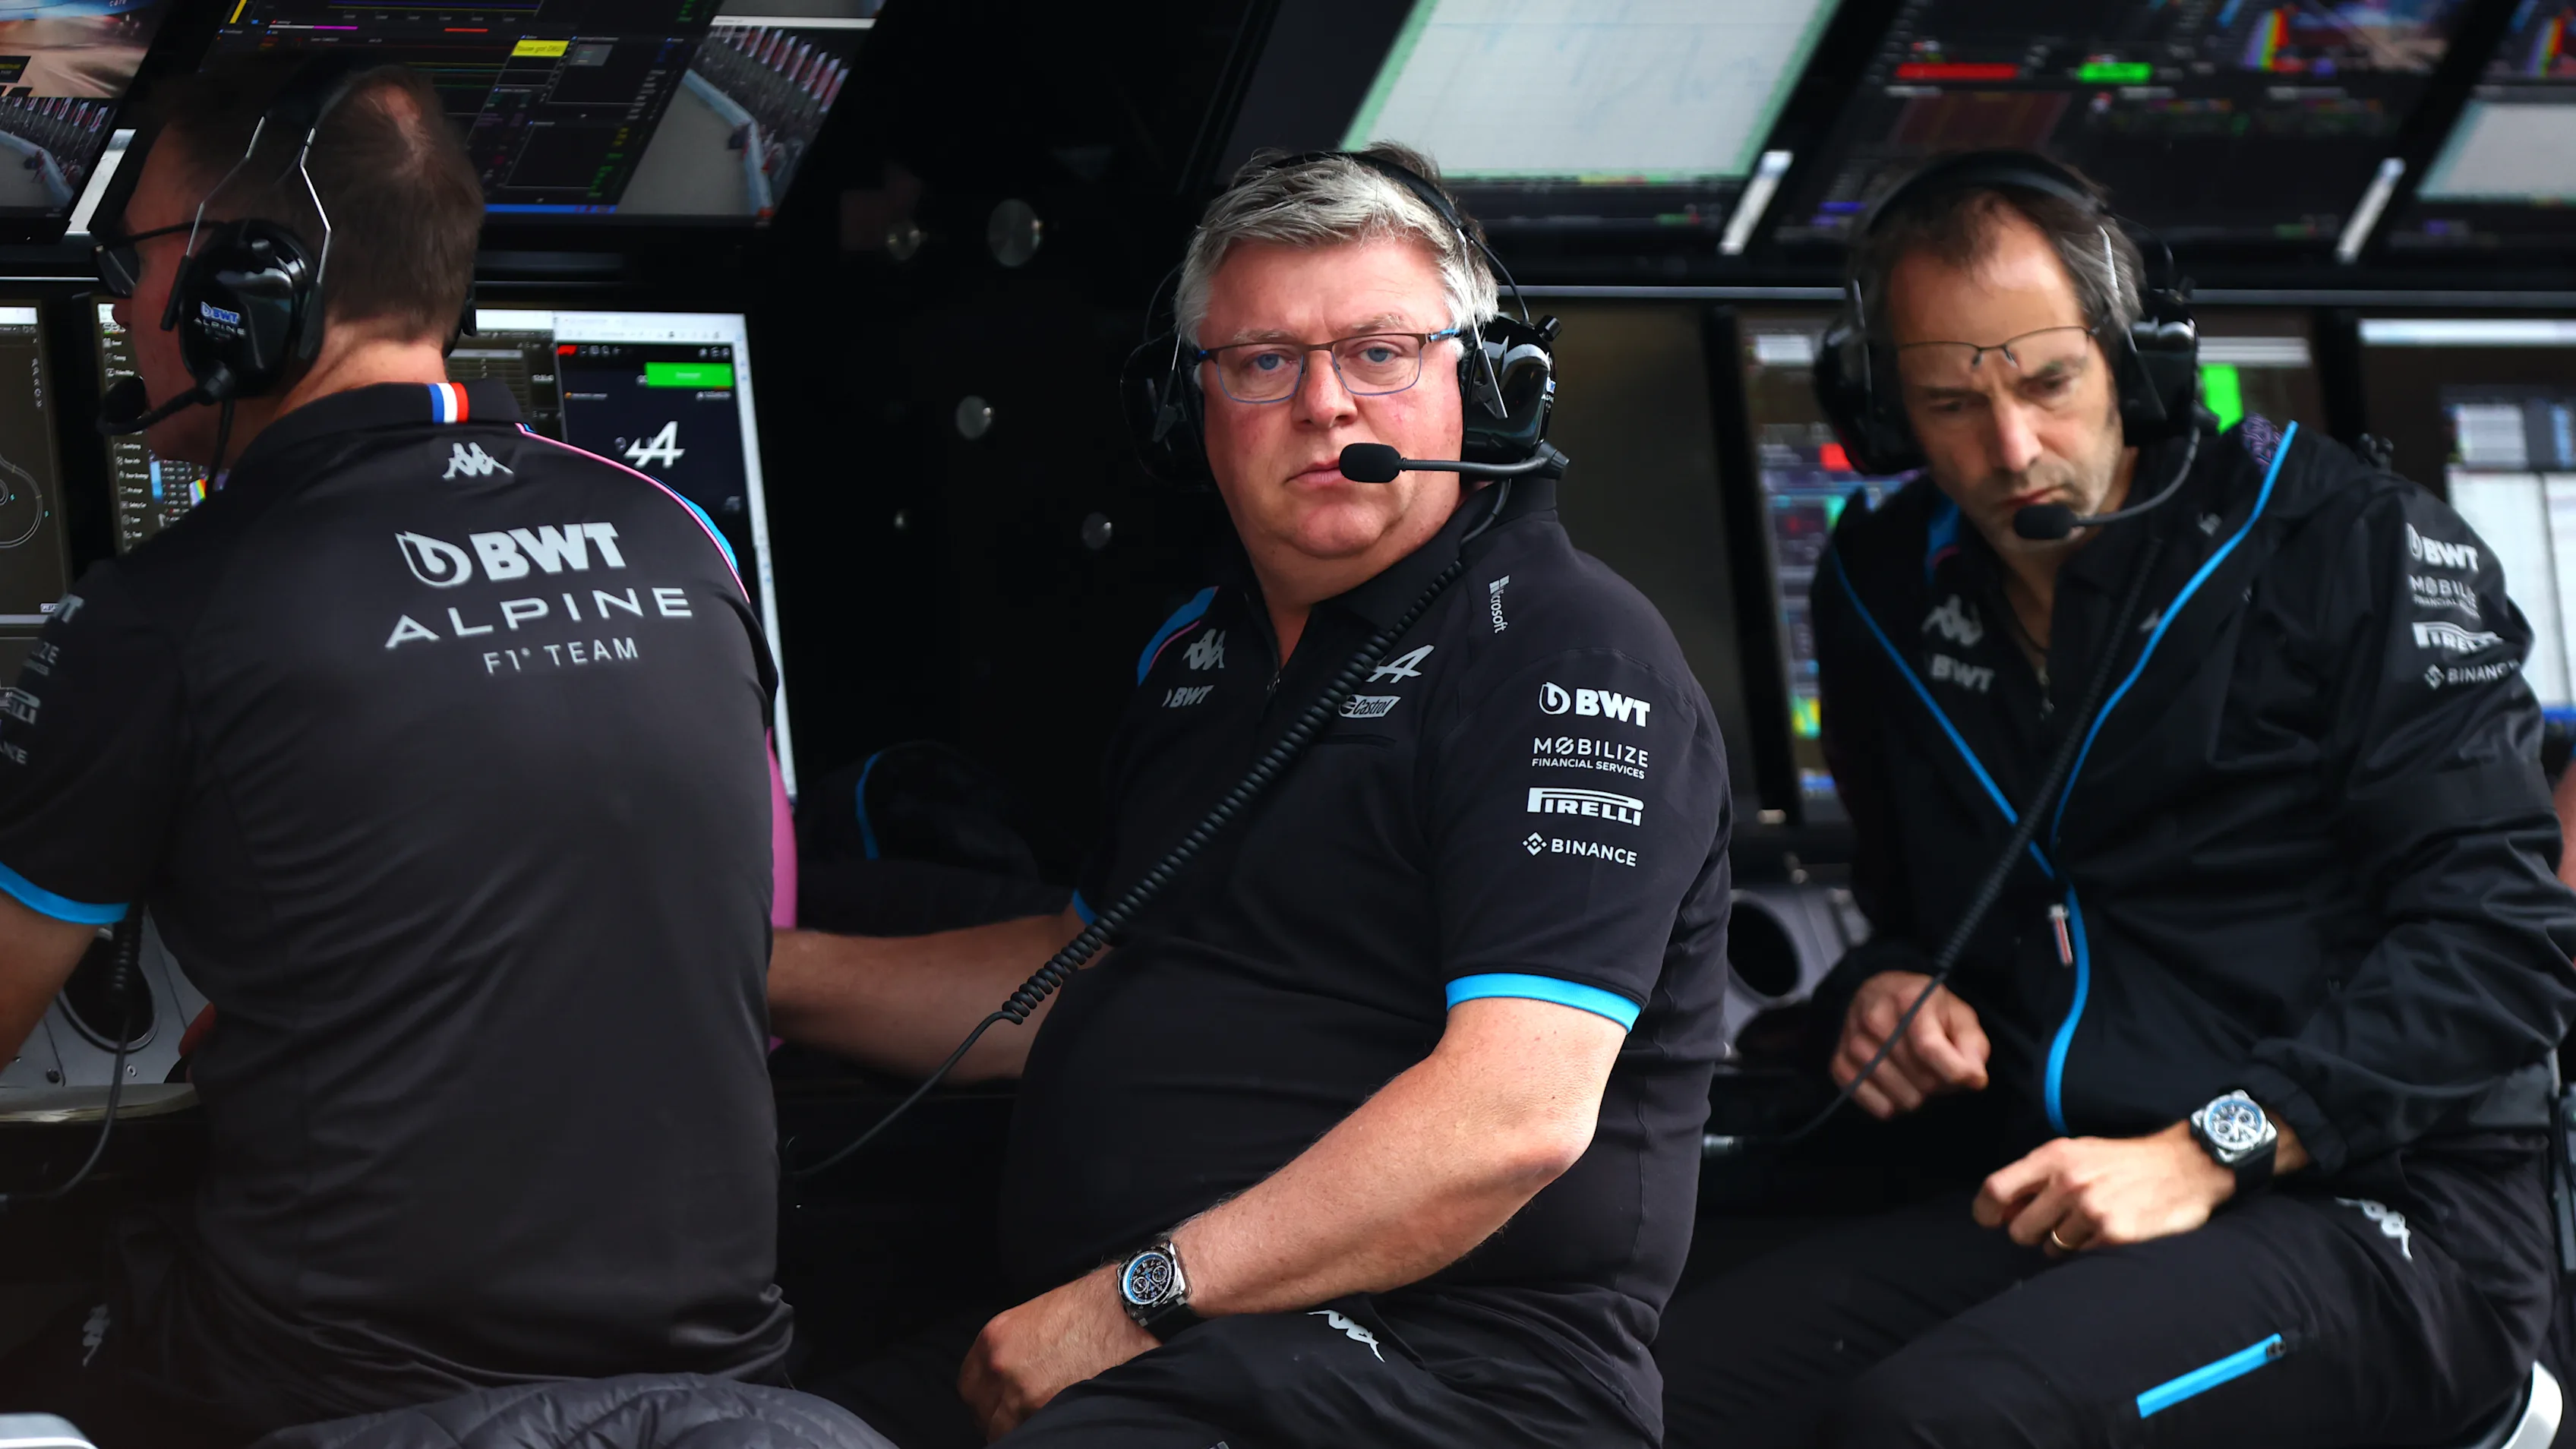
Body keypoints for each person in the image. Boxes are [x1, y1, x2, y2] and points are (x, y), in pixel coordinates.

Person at [769, 145, 1732, 1448]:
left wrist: (1131, 1300)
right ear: (1187, 411)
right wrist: (748, 970)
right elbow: (1075, 969)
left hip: (1443, 1376)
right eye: (1265, 361)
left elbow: (1510, 1118)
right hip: (1156, 1346)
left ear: (1484, 386)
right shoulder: (1200, 658)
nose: (1326, 403)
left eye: (1381, 351)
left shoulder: (1563, 655)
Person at [1654, 151, 2576, 1449]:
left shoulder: (2353, 547)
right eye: (1950, 403)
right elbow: (1924, 914)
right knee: (1638, 1402)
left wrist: (2207, 1150)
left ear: (2136, 363)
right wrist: (1891, 994)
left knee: (1943, 1427)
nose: (2012, 447)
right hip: (2061, 1190)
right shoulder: (1881, 585)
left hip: (2383, 1212)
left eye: (2048, 382)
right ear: (1880, 412)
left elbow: (2500, 949)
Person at [0, 55, 793, 1445]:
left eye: (137, 260)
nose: (127, 311)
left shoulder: (173, 611)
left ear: (241, 291)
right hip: (726, 1392)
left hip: (339, 1400)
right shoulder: (688, 541)